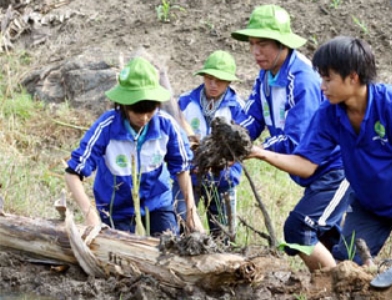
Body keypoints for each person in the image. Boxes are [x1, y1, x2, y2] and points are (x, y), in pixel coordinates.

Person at [249, 36, 392, 284]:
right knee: (347, 268)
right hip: (370, 206)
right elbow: (306, 165)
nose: (322, 86)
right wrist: (261, 153)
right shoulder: (329, 113)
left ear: (353, 77)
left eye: (328, 78)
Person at [231, 4, 351, 272]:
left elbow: (296, 140)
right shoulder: (265, 75)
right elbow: (252, 118)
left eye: (262, 44)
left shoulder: (303, 78)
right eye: (252, 44)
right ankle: (345, 280)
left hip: (336, 171)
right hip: (314, 174)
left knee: (300, 228)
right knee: (327, 240)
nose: (255, 52)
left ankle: (335, 287)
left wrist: (253, 148)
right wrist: (229, 141)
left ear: (282, 44)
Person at [65, 57, 204, 236]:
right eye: (137, 111)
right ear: (123, 105)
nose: (144, 118)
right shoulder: (106, 127)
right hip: (116, 209)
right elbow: (72, 173)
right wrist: (90, 215)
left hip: (157, 202)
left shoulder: (166, 125)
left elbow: (182, 168)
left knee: (168, 246)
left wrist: (192, 214)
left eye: (149, 110)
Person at [173, 50, 246, 239]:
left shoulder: (238, 107)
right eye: (209, 78)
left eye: (219, 80)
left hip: (224, 179)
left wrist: (225, 162)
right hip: (190, 177)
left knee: (224, 233)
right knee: (182, 226)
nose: (213, 84)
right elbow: (176, 136)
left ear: (229, 82)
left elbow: (242, 144)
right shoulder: (185, 101)